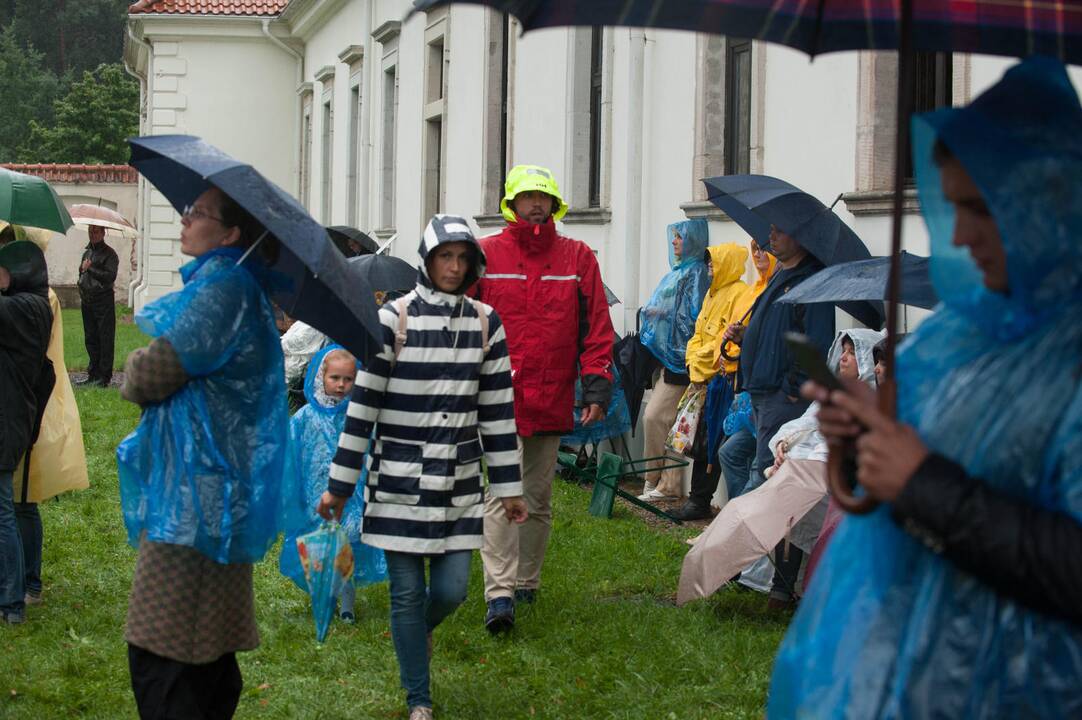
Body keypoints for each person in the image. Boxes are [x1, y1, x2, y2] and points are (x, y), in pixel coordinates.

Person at [769, 57, 1082, 717]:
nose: (960, 234)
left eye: (980, 208)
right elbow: (890, 495)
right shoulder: (953, 338)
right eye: (953, 205)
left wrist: (922, 482)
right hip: (911, 678)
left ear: (1052, 198)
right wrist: (859, 443)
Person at [320, 215, 527, 720]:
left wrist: (509, 486)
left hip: (458, 485)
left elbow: (498, 410)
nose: (453, 268)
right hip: (396, 483)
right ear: (427, 261)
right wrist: (340, 486)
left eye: (462, 259)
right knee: (407, 593)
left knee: (453, 589)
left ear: (473, 264)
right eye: (444, 258)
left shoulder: (486, 322)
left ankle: (416, 633)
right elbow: (364, 408)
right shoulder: (394, 318)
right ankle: (420, 700)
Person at [117, 186, 291, 719]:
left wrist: (135, 363)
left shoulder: (222, 290)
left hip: (196, 490)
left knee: (162, 643)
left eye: (199, 213)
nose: (184, 219)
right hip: (216, 482)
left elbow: (153, 373)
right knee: (205, 640)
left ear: (232, 233)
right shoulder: (235, 287)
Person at [474, 165, 614, 632]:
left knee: (537, 495)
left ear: (555, 205)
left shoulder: (577, 257)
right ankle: (499, 594)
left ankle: (527, 582)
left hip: (552, 394)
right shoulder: (486, 254)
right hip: (498, 394)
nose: (535, 204)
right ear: (510, 205)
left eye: (543, 197)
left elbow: (597, 327)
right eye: (526, 197)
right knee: (502, 493)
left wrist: (595, 383)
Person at [677, 329, 880, 607]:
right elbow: (806, 424)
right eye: (842, 351)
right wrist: (785, 444)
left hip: (829, 480)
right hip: (801, 470)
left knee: (786, 509)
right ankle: (752, 574)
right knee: (767, 507)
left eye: (851, 353)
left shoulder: (871, 400)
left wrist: (805, 457)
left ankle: (776, 587)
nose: (844, 358)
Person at [8, 225, 90, 609]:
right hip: (22, 396)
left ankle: (29, 582)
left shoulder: (39, 300)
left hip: (35, 400)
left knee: (23, 496)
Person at [279, 345, 386, 622]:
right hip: (314, 497)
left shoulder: (357, 416)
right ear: (320, 377)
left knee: (346, 546)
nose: (341, 385)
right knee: (321, 553)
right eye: (335, 378)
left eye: (348, 379)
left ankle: (347, 603)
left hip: (351, 497)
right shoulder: (304, 418)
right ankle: (325, 598)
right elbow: (291, 455)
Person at [670, 243, 748, 520]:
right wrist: (693, 359)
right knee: (700, 440)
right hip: (703, 378)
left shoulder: (740, 293)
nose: (710, 268)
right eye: (709, 264)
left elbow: (724, 341)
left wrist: (701, 361)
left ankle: (702, 501)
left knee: (713, 441)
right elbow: (698, 333)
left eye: (714, 263)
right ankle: (698, 499)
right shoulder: (712, 294)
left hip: (721, 379)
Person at [637, 220, 710, 501]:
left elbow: (692, 316)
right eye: (674, 237)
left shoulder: (697, 274)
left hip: (685, 363)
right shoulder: (678, 273)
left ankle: (658, 481)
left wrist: (664, 314)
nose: (675, 242)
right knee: (669, 422)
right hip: (669, 360)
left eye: (680, 237)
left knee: (656, 417)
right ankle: (661, 483)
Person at [0, 240, 53, 625]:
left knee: (4, 513)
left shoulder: (26, 308)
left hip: (7, 419)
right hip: (11, 416)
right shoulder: (27, 305)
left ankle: (11, 604)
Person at [76, 224, 119, 387]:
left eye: (95, 231)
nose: (92, 234)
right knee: (91, 338)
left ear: (103, 233)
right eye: (90, 231)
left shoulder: (110, 254)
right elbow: (82, 272)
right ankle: (92, 374)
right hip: (87, 300)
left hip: (103, 301)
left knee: (105, 338)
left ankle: (104, 376)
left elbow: (110, 277)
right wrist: (82, 271)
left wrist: (90, 268)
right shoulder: (87, 252)